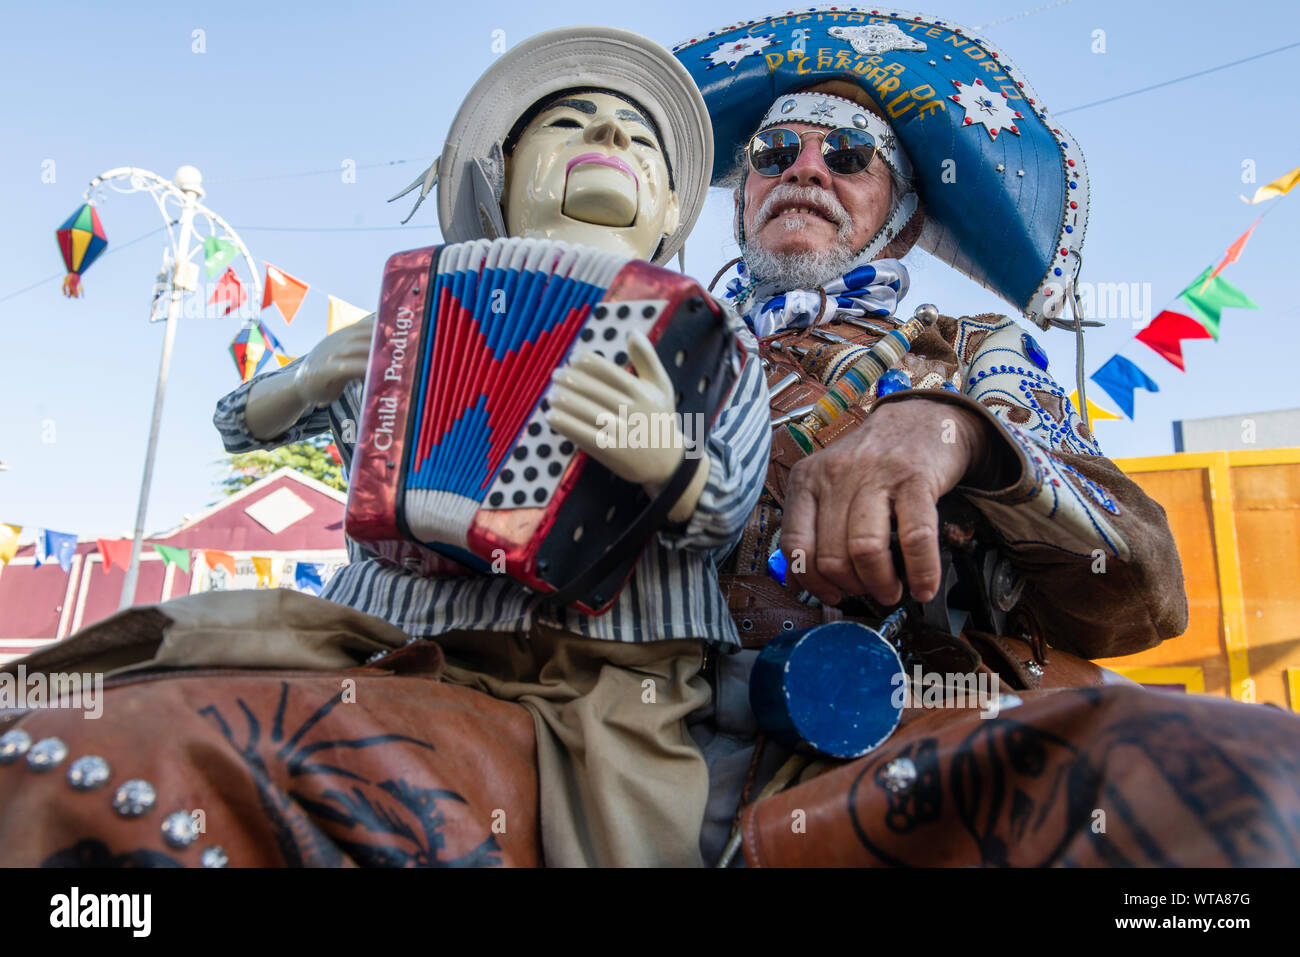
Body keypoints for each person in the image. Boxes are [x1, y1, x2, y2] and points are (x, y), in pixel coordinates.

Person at [673, 8, 1300, 866]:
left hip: (913, 752)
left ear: (900, 220)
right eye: (774, 155)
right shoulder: (649, 347)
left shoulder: (967, 349)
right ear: (744, 201)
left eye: (850, 157)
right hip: (638, 737)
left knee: (1246, 776)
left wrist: (956, 433)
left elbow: (1146, 589)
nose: (807, 170)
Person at [211, 27, 771, 867]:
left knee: (630, 841)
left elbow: (727, 507)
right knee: (195, 662)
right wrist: (302, 379)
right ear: (500, 180)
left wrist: (669, 461)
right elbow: (238, 425)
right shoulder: (418, 313)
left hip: (613, 668)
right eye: (568, 122)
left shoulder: (708, 336)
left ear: (664, 215)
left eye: (640, 136)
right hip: (391, 631)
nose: (611, 136)